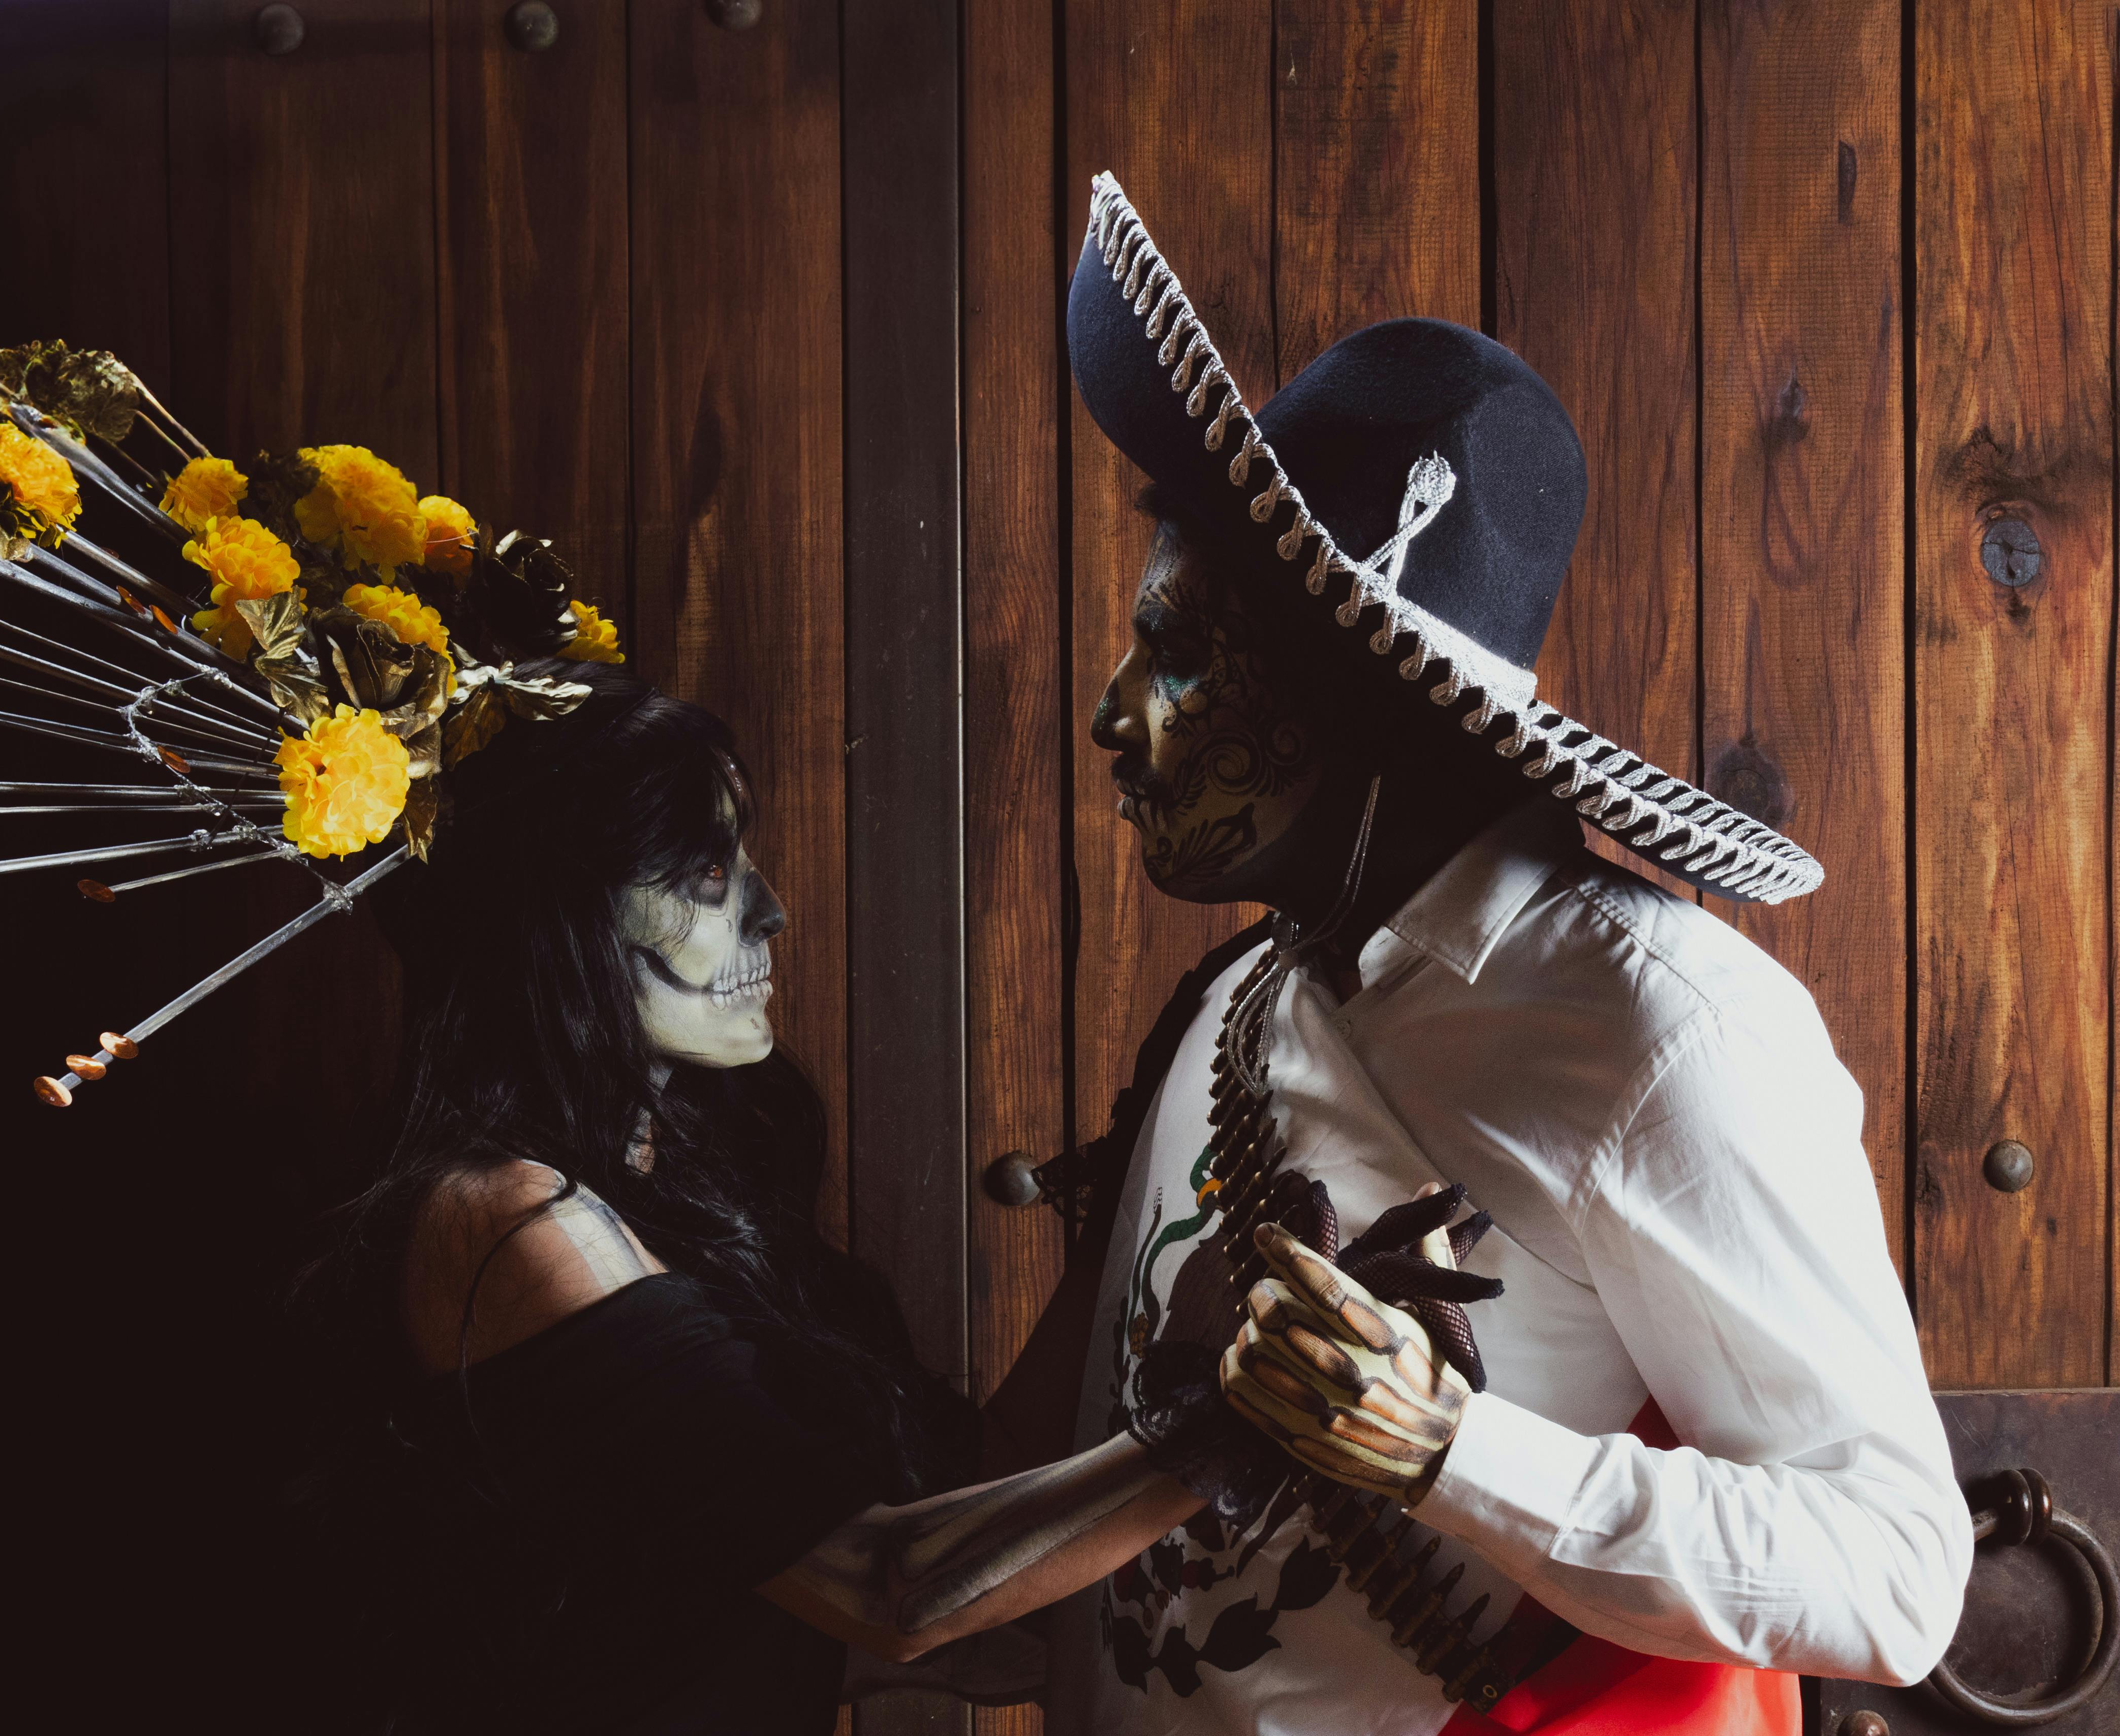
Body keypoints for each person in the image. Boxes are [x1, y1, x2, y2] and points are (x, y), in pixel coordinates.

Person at [985, 174, 1972, 1735]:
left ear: (1360, 696)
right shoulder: (1235, 1002)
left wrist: (1448, 1451)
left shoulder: (1668, 1036)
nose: (1111, 714)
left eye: (1172, 653)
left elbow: (1895, 1572)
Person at [286, 666, 1306, 1734]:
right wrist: (1241, 1419)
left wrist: (1126, 1190)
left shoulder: (669, 1177)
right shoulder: (513, 1222)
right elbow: (888, 1583)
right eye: (703, 871)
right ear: (555, 917)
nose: (769, 909)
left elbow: (966, 1477)